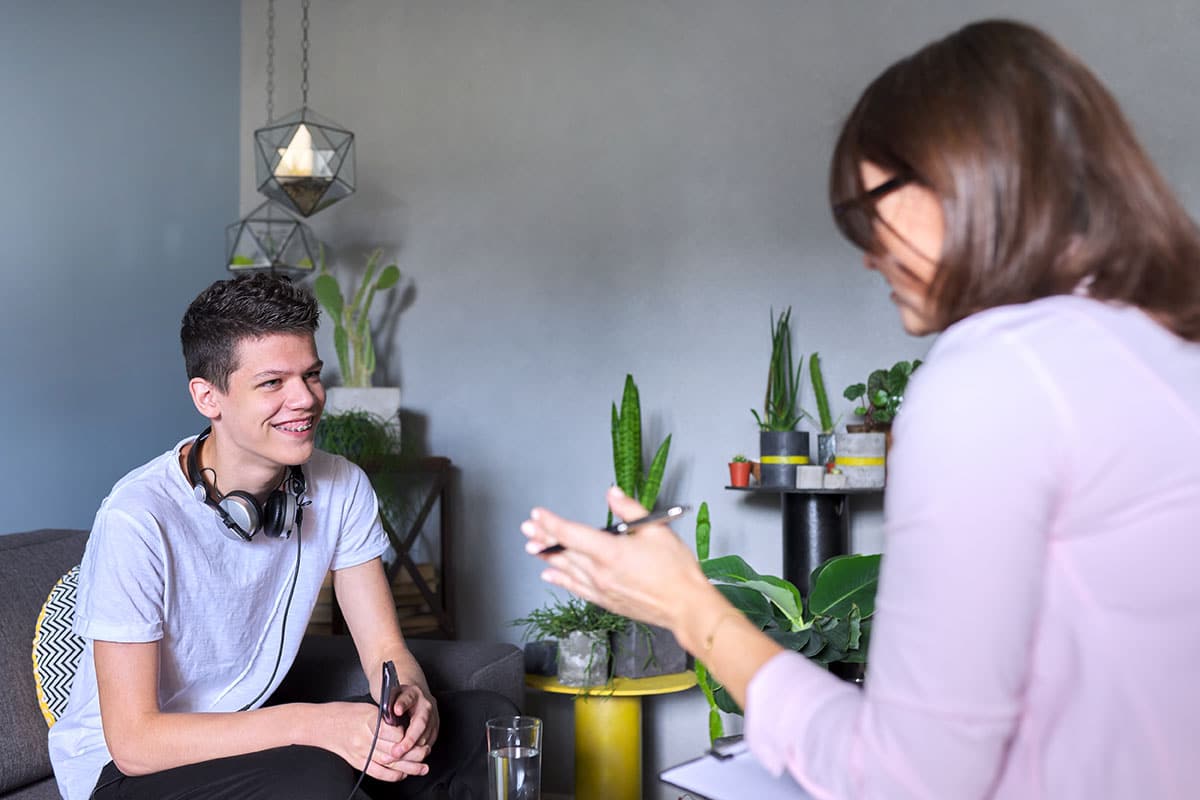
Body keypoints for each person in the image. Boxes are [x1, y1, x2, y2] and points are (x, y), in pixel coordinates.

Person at [521, 19, 1200, 799]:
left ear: (966, 175)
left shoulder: (994, 377)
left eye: (870, 206)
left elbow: (908, 781)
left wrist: (687, 606)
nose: (869, 252)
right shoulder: (1165, 344)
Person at [49, 272, 516, 800]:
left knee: (485, 722)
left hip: (252, 742)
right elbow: (135, 742)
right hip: (126, 774)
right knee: (319, 775)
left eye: (311, 375)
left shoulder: (341, 485)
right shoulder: (137, 519)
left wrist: (410, 696)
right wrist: (313, 725)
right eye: (272, 383)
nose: (306, 399)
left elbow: (385, 647)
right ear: (208, 397)